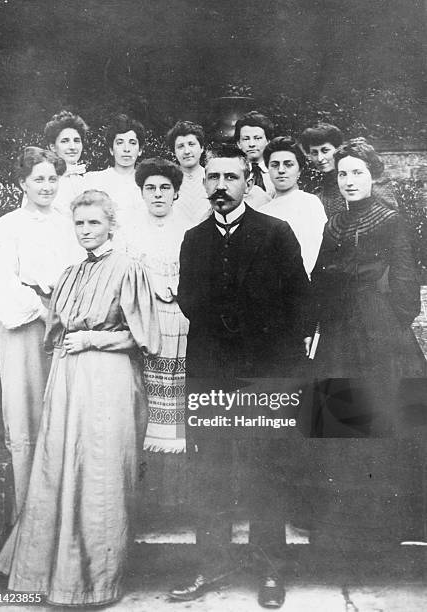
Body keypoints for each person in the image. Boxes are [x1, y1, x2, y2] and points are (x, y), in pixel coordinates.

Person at [0, 190, 161, 606]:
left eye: (94, 223)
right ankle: (53, 581)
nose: (86, 230)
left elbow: (143, 338)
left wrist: (92, 339)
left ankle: (95, 584)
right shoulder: (70, 273)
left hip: (109, 379)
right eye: (80, 224)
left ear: (111, 225)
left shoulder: (128, 269)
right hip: (67, 379)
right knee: (61, 468)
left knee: (100, 475)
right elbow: (54, 331)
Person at [169, 144, 311, 608]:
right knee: (210, 471)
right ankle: (209, 565)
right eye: (213, 178)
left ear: (249, 182)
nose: (221, 187)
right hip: (212, 373)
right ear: (204, 184)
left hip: (264, 374)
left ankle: (270, 571)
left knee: (264, 469)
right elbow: (190, 300)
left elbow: (301, 308)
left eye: (231, 178)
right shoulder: (194, 239)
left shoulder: (276, 233)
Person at [0, 146, 81, 522]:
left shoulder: (67, 221)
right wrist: (43, 310)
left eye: (53, 178)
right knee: (27, 415)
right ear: (22, 182)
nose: (47, 186)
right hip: (25, 327)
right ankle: (29, 526)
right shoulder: (7, 226)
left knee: (63, 413)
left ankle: (63, 521)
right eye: (38, 179)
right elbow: (3, 287)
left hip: (65, 324)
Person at [311, 138, 426, 436]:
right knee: (341, 413)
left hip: (379, 324)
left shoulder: (390, 219)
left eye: (357, 173)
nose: (349, 181)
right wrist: (320, 319)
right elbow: (320, 277)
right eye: (343, 174)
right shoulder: (333, 223)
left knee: (388, 409)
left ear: (372, 175)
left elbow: (405, 277)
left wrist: (394, 321)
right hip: (337, 326)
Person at [126, 158, 190, 453]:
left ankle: (178, 451)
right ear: (141, 192)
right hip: (143, 320)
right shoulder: (129, 230)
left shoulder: (191, 228)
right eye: (150, 187)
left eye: (165, 187)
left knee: (179, 386)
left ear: (176, 192)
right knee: (143, 387)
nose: (158, 194)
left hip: (181, 318)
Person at [260, 136, 327, 278]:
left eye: (288, 164)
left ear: (300, 170)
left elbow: (312, 253)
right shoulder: (262, 211)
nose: (281, 170)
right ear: (268, 169)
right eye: (274, 165)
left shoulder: (309, 203)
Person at [300, 123, 398, 217]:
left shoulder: (367, 181)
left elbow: (390, 219)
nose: (320, 158)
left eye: (325, 151)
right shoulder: (319, 189)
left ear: (337, 149)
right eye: (314, 153)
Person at [86, 113, 146, 235]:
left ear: (140, 150)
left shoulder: (148, 183)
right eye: (120, 142)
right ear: (111, 150)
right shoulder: (94, 180)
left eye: (132, 143)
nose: (126, 149)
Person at [165, 120, 211, 227]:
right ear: (174, 152)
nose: (187, 151)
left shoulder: (214, 178)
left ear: (201, 148)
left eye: (191, 144)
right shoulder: (168, 182)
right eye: (180, 146)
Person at [43, 110, 89, 216]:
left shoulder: (87, 181)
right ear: (52, 147)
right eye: (65, 141)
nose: (72, 147)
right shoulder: (44, 180)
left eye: (77, 140)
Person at [234, 110, 276, 208]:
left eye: (257, 138)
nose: (252, 144)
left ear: (268, 141)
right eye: (246, 139)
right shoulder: (235, 173)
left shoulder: (278, 172)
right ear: (238, 144)